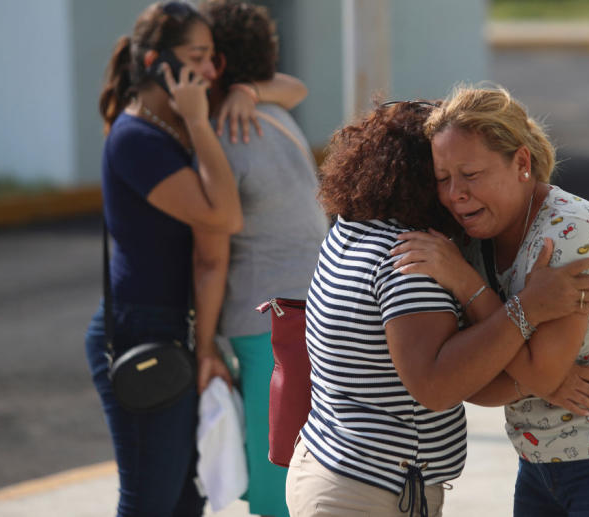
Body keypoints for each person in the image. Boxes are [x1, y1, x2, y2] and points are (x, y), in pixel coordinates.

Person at [285, 100, 589, 517]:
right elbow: (436, 385)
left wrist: (535, 379)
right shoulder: (410, 260)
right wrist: (528, 312)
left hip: (329, 469)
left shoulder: (351, 231)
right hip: (369, 492)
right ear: (423, 177)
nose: (457, 192)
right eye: (445, 175)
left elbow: (448, 369)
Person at [393, 85, 589, 516]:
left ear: (521, 163)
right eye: (443, 178)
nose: (454, 193)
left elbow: (540, 369)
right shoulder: (477, 239)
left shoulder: (569, 234)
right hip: (540, 469)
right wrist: (522, 364)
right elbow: (468, 374)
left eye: (471, 175)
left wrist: (469, 286)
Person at [86, 2, 312, 515]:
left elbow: (293, 87)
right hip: (139, 331)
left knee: (184, 499)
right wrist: (198, 119)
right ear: (156, 63)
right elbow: (224, 218)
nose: (212, 70)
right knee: (151, 497)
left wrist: (244, 92)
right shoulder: (141, 139)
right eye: (199, 57)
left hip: (169, 328)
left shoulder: (176, 126)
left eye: (214, 57)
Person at [194, 2, 326, 516]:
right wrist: (252, 89)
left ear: (217, 64)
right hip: (308, 312)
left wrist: (203, 345)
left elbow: (211, 256)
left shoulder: (225, 134)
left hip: (267, 324)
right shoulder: (274, 113)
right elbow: (293, 85)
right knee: (296, 471)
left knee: (275, 489)